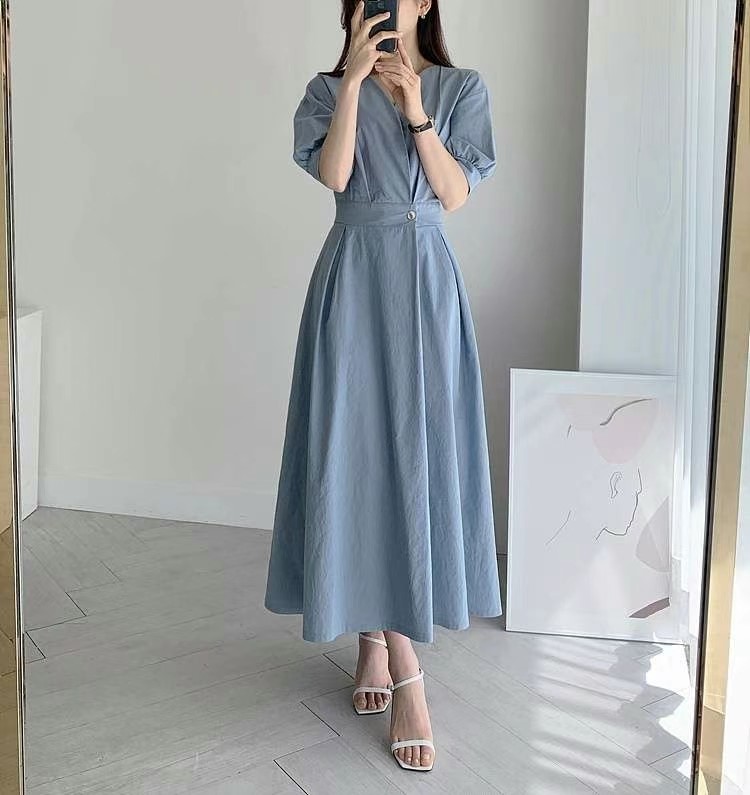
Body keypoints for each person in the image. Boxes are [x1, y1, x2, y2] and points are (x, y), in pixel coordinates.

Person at [264, 0, 502, 773]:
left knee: (414, 461)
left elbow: (454, 195)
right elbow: (335, 175)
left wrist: (413, 109)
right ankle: (406, 669)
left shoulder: (461, 88)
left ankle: (376, 637)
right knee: (358, 454)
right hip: (354, 277)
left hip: (425, 281)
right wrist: (355, 84)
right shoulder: (326, 89)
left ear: (426, 2)